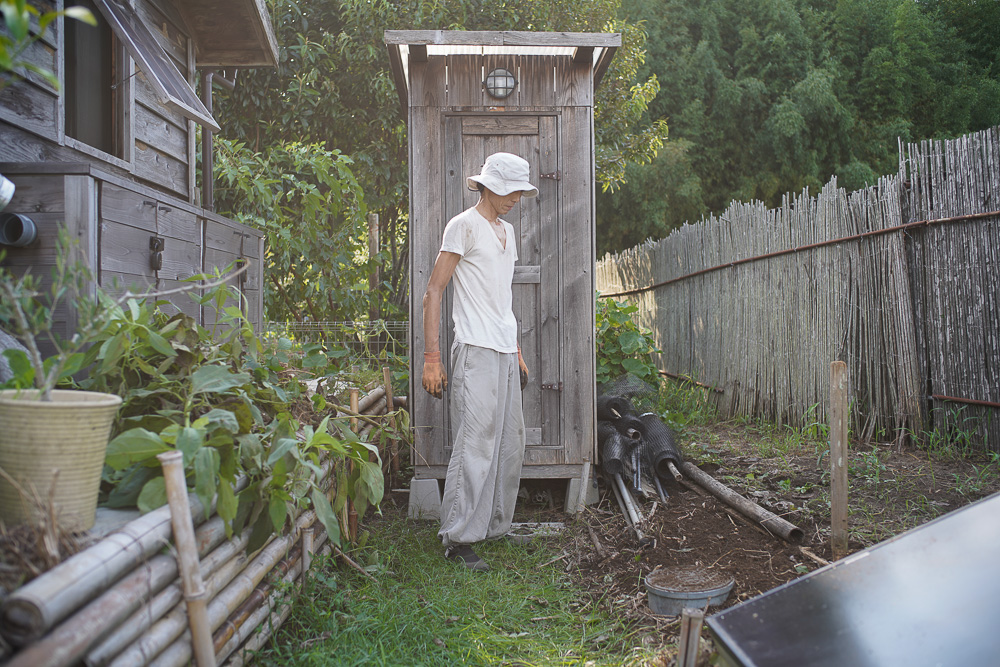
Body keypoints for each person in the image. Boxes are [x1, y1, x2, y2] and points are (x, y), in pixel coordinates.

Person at [421, 152, 537, 571]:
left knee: (509, 443)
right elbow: (434, 291)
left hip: (504, 349)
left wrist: (518, 351)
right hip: (474, 349)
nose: (515, 199)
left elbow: (501, 299)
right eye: (509, 191)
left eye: (519, 192)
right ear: (487, 185)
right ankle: (457, 537)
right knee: (476, 443)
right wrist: (432, 358)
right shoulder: (463, 225)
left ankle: (492, 526)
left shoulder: (507, 231)